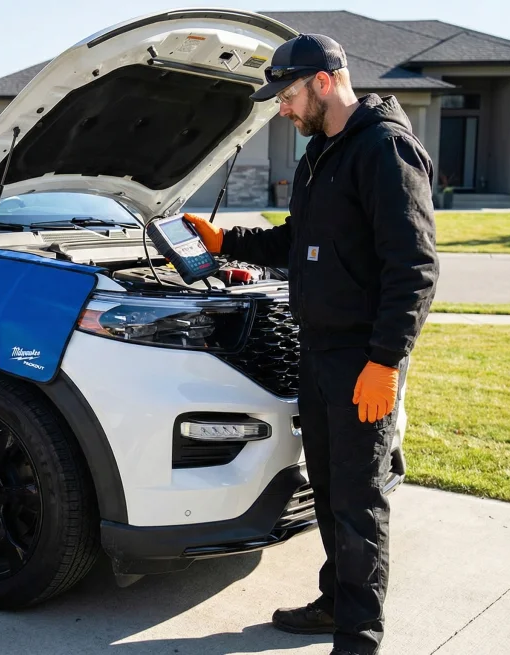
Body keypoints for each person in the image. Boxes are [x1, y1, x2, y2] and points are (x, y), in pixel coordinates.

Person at [183, 34, 439, 655]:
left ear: (324, 82)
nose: (283, 109)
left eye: (289, 95)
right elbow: (299, 239)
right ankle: (335, 603)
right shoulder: (322, 152)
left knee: (359, 500)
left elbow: (414, 267)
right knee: (327, 488)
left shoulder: (384, 148)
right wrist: (226, 242)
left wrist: (384, 361)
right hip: (320, 354)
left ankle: (359, 636)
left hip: (363, 362)